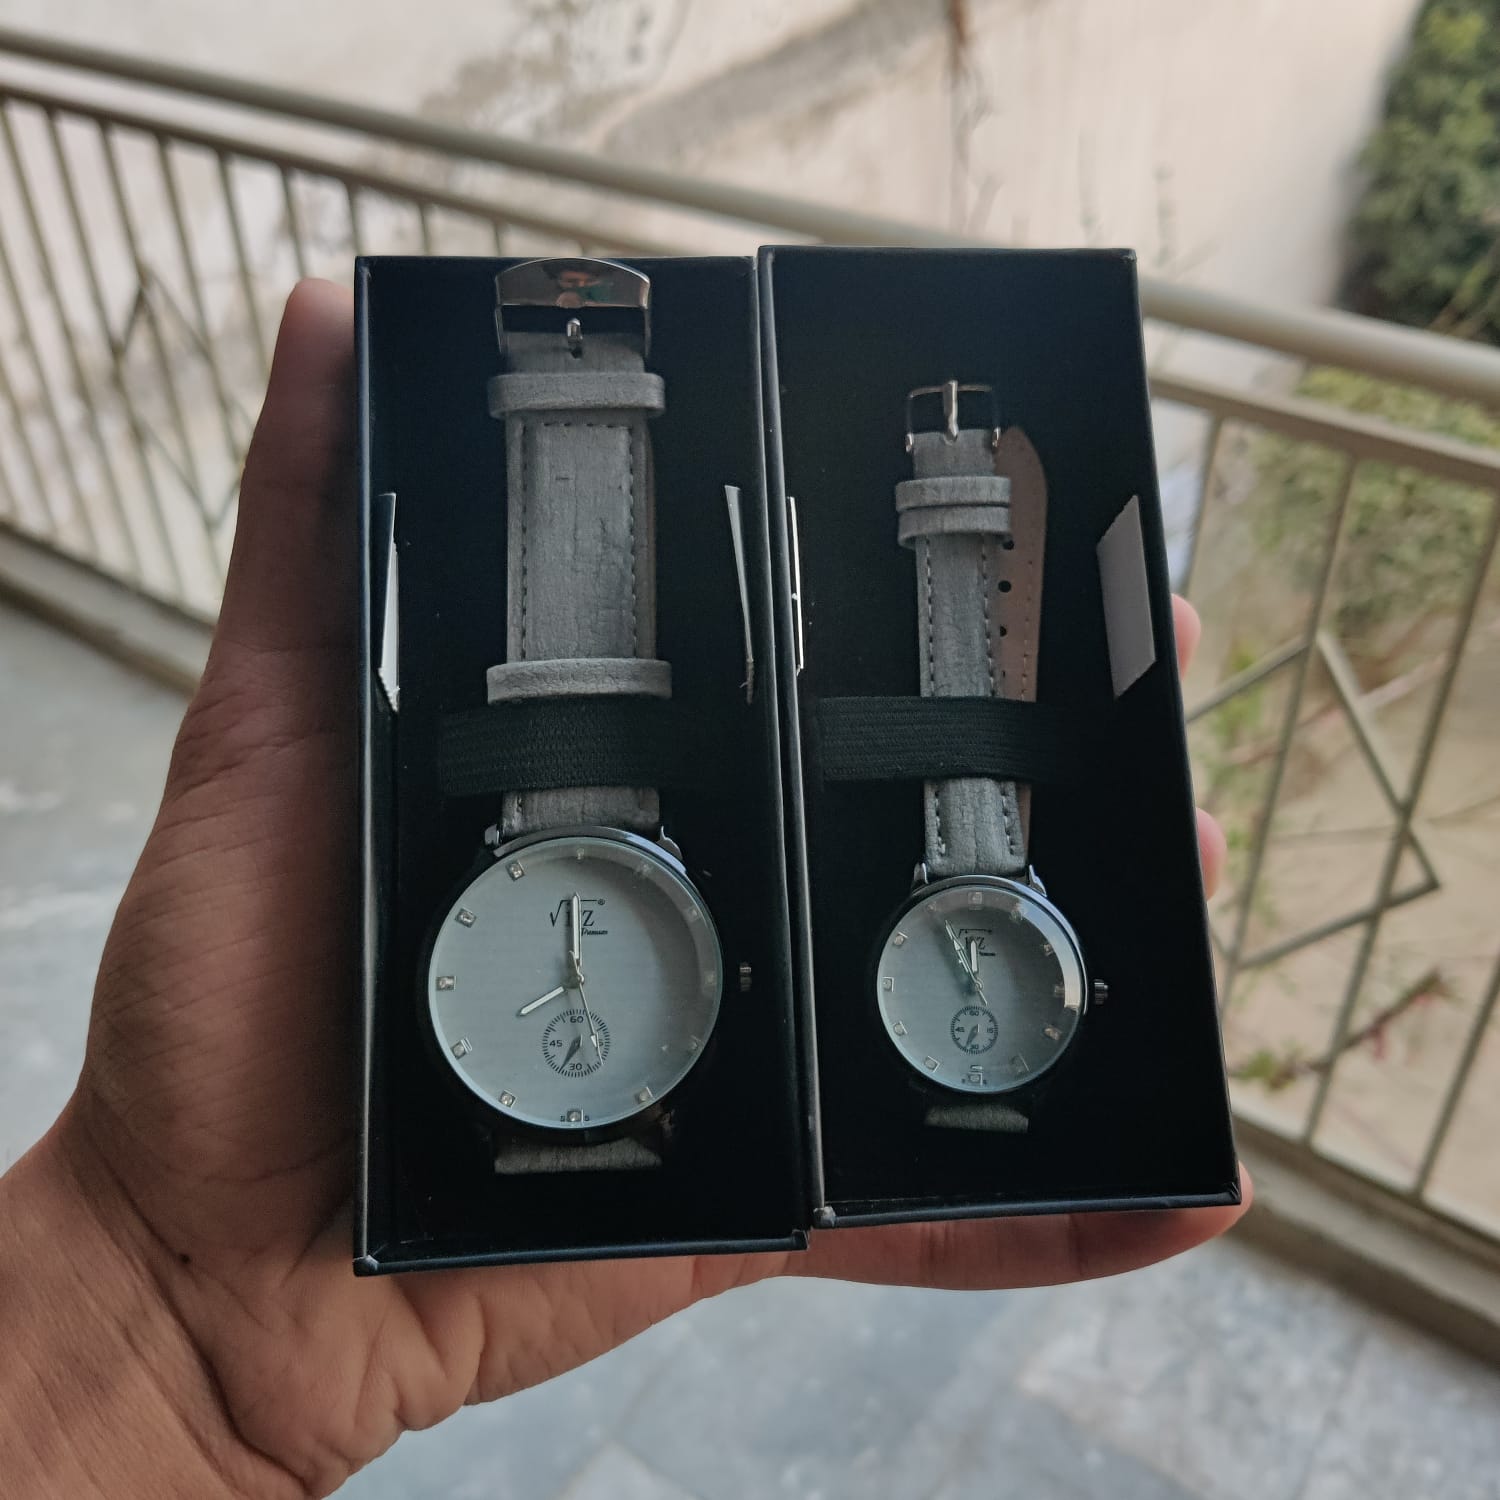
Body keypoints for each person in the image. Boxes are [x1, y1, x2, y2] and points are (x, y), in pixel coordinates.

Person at [0, 281, 1247, 1499]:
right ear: (726, 978)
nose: (573, 986)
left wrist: (165, 1321)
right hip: (588, 936)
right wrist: (168, 1326)